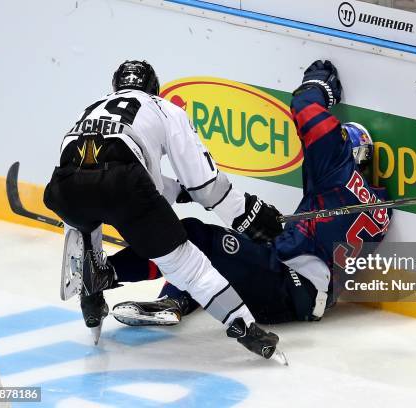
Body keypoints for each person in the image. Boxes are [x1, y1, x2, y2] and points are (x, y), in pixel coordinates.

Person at [106, 60, 392, 326]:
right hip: (304, 293)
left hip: (291, 285)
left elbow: (312, 117)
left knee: (193, 235)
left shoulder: (337, 174)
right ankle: (174, 300)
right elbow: (326, 236)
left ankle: (107, 273)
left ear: (347, 151)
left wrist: (316, 83)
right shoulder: (380, 207)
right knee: (220, 254)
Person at [43, 60, 284, 360]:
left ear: (116, 87)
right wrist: (246, 215)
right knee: (191, 268)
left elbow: (84, 171)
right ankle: (247, 330)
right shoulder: (164, 108)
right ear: (154, 89)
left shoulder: (90, 108)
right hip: (125, 188)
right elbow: (205, 185)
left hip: (65, 189)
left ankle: (91, 294)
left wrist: (178, 192)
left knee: (87, 247)